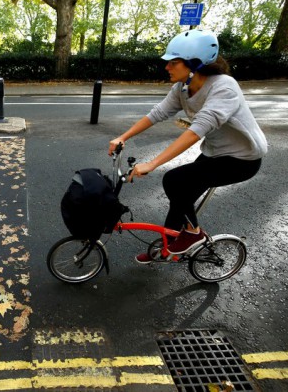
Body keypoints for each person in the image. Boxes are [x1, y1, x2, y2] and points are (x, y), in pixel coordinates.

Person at [108, 29, 268, 264]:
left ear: (194, 64)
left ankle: (194, 234)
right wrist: (123, 137)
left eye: (173, 62)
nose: (167, 67)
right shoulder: (183, 87)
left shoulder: (224, 87)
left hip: (242, 159)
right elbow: (158, 113)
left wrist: (153, 163)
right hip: (215, 153)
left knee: (174, 180)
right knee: (181, 197)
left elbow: (197, 130)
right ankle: (169, 247)